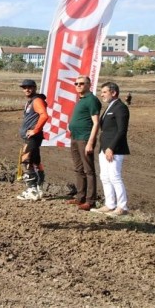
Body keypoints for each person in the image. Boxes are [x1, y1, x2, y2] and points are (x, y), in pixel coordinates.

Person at [91, 81, 131, 216]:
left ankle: (122, 207)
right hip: (104, 148)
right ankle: (110, 204)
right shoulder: (109, 107)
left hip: (114, 149)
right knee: (104, 177)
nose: (102, 95)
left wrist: (111, 148)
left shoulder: (120, 108)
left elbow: (121, 131)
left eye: (104, 92)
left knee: (115, 177)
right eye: (101, 92)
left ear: (113, 93)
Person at [66, 75, 101, 211]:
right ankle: (80, 197)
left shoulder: (91, 100)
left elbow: (96, 123)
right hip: (75, 137)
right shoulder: (81, 100)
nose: (78, 85)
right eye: (76, 83)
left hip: (84, 138)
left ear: (89, 85)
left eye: (82, 83)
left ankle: (90, 200)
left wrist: (90, 142)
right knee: (78, 169)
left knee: (89, 170)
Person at [16, 79, 49, 201]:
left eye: (29, 87)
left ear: (35, 88)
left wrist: (35, 130)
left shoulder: (37, 100)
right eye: (24, 87)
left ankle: (32, 190)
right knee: (36, 161)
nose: (26, 89)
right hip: (32, 137)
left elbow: (44, 115)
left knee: (26, 160)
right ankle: (39, 189)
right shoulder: (30, 101)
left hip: (33, 137)